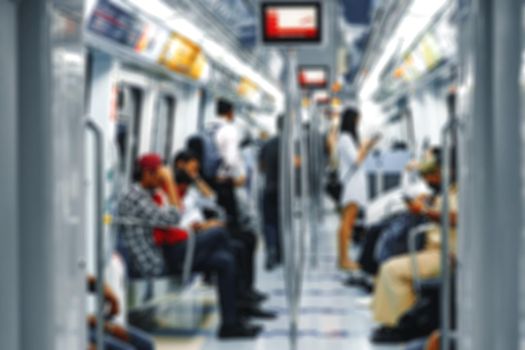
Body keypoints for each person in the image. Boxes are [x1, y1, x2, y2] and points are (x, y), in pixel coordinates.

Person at [117, 153, 262, 338]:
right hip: (160, 258)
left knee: (225, 260)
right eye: (157, 174)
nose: (161, 179)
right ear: (146, 173)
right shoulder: (135, 197)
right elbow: (173, 218)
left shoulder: (151, 194)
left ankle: (231, 323)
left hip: (169, 249)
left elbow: (173, 218)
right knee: (220, 234)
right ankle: (243, 306)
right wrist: (169, 183)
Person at [371, 151, 458, 339]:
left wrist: (425, 211)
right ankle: (395, 321)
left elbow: (455, 217)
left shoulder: (463, 192)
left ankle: (402, 326)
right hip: (432, 248)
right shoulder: (446, 191)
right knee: (389, 262)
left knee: (392, 270)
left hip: (446, 253)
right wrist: (427, 203)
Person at [336, 107, 380, 270]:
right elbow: (356, 160)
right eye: (357, 120)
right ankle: (343, 259)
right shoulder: (345, 138)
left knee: (349, 222)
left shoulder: (348, 139)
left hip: (355, 184)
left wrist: (367, 145)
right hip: (351, 186)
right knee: (346, 223)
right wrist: (365, 145)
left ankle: (343, 258)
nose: (359, 123)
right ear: (352, 121)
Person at [87, 276, 154, 350]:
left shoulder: (74, 273)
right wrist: (108, 327)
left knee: (146, 343)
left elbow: (85, 279)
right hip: (78, 328)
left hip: (91, 321)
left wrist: (113, 299)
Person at [259, 115, 284, 270]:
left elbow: (261, 167)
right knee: (282, 222)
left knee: (269, 223)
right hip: (284, 191)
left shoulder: (267, 144)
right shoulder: (292, 145)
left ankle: (270, 251)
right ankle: (281, 253)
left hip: (269, 187)